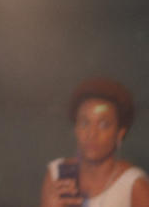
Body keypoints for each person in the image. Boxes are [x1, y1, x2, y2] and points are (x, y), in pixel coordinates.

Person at [40, 77, 149, 207]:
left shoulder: (134, 186)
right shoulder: (57, 175)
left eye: (103, 125)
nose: (92, 134)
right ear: (76, 129)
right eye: (85, 123)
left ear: (119, 133)